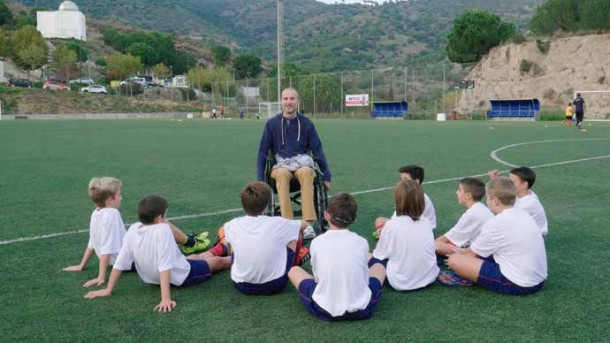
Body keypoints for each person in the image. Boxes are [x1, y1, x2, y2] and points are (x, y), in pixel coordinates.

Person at [84, 195, 231, 313]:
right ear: (160, 218)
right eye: (165, 216)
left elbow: (120, 262)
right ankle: (241, 256)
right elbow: (164, 265)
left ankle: (221, 247)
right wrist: (165, 298)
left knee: (193, 257)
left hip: (154, 276)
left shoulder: (134, 228)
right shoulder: (163, 230)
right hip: (182, 276)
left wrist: (108, 289)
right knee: (219, 262)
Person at [288, 193, 386, 321]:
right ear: (355, 218)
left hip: (324, 308)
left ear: (326, 215)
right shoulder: (361, 242)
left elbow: (317, 278)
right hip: (361, 308)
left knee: (293, 270)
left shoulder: (317, 242)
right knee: (379, 266)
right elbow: (364, 279)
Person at [206, 181, 310, 295]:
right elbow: (305, 225)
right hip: (275, 284)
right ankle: (296, 260)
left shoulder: (231, 225)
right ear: (266, 206)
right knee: (295, 234)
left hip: (241, 284)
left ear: (243, 205)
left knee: (235, 242)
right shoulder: (278, 223)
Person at [446, 177, 547, 295]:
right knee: (476, 256)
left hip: (519, 283)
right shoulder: (522, 213)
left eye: (487, 197)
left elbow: (470, 254)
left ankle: (469, 277)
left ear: (494, 200)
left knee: (455, 260)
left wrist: (456, 254)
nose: (486, 201)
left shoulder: (496, 222)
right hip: (538, 279)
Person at [256, 87, 331, 237]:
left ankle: (307, 224)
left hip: (301, 165)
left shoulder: (307, 124)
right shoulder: (271, 124)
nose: (289, 102)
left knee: (307, 171)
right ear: (281, 101)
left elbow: (318, 150)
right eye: (285, 99)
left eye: (292, 98)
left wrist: (327, 175)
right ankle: (288, 225)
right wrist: (260, 180)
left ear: (298, 101)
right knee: (282, 174)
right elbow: (262, 153)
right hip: (281, 165)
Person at [370, 180, 439, 291]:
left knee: (370, 259)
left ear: (398, 201)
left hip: (402, 281)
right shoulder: (426, 222)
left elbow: (380, 255)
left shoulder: (392, 225)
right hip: (430, 277)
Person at [63, 177, 127, 287]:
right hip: (128, 262)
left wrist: (81, 265)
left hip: (115, 261)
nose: (121, 198)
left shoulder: (96, 212)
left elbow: (93, 241)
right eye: (118, 195)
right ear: (109, 200)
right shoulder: (112, 214)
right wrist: (101, 277)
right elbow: (107, 247)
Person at [435, 177, 494, 258]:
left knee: (436, 245)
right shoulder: (481, 207)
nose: (456, 192)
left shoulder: (472, 213)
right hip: (485, 249)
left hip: (480, 254)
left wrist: (431, 245)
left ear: (468, 195)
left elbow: (449, 237)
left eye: (459, 190)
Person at [374, 165, 437, 238]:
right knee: (379, 221)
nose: (402, 183)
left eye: (405, 179)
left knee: (387, 227)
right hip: (409, 225)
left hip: (419, 228)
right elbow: (398, 216)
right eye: (401, 179)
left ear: (416, 181)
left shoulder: (419, 198)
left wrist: (389, 229)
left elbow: (412, 221)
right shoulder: (407, 194)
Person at [489, 167, 548, 236]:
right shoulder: (526, 193)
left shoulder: (526, 205)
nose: (508, 184)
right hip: (527, 231)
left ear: (524, 184)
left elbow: (502, 218)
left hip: (533, 237)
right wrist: (496, 180)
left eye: (511, 182)